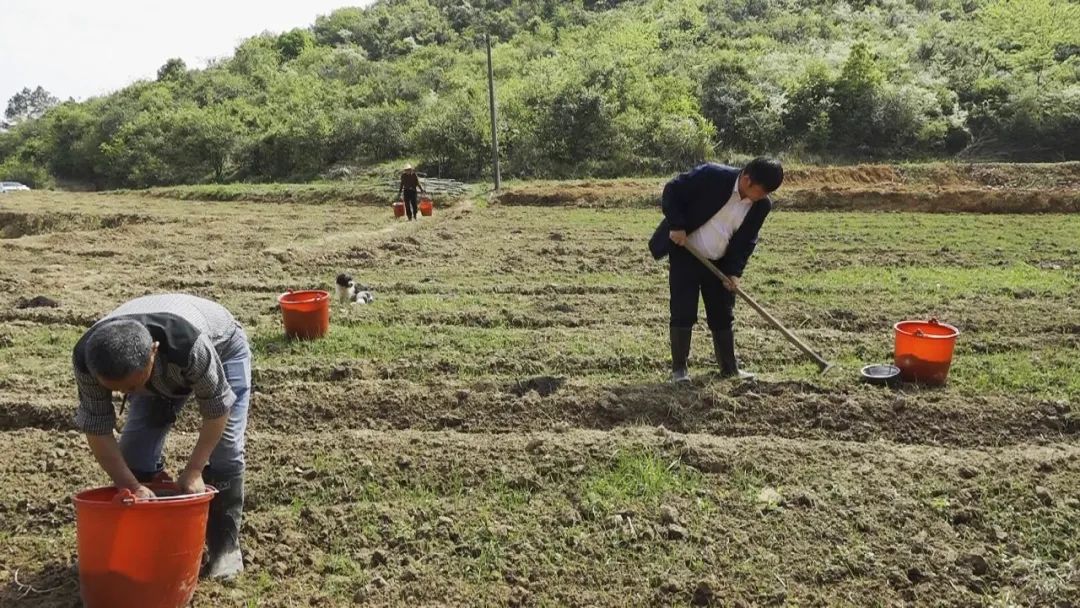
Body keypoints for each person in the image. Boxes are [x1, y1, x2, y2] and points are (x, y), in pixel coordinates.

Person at [72, 293, 251, 578]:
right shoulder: (89, 358)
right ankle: (158, 533)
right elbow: (97, 428)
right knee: (133, 456)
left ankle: (225, 548)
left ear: (152, 352)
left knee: (226, 448)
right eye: (119, 390)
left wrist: (194, 470)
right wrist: (130, 485)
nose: (125, 395)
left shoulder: (189, 346)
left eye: (132, 386)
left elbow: (217, 409)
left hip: (222, 344)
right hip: (158, 373)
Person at [648, 157, 784, 383]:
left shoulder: (761, 206)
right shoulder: (712, 176)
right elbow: (673, 190)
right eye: (759, 192)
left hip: (719, 263)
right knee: (683, 311)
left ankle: (729, 369)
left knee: (722, 314)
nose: (761, 198)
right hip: (687, 253)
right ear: (747, 180)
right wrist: (677, 225)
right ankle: (679, 371)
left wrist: (734, 272)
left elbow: (746, 241)